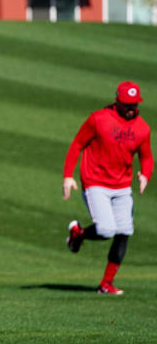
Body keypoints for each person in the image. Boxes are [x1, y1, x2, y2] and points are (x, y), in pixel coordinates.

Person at [62, 81, 152, 295]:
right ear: (117, 101)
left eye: (135, 104)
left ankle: (106, 284)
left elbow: (146, 157)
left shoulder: (142, 127)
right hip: (95, 182)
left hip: (122, 186)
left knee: (124, 232)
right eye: (127, 104)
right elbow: (77, 144)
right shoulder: (98, 119)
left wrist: (146, 175)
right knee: (105, 230)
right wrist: (68, 176)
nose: (132, 108)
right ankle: (79, 234)